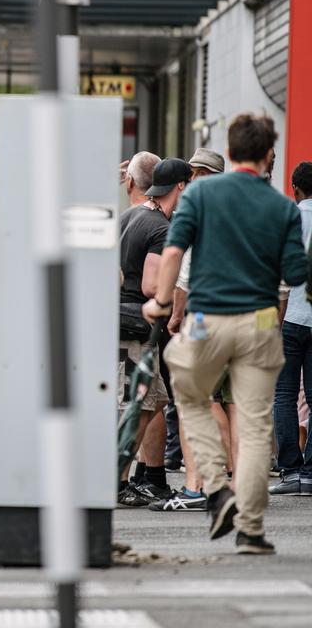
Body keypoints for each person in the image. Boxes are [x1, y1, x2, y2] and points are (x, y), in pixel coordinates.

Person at [144, 112, 306, 555]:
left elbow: (174, 251)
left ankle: (215, 486)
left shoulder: (201, 195)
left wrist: (160, 302)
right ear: (268, 153)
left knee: (186, 388)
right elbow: (294, 274)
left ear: (231, 153)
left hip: (207, 319)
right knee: (254, 426)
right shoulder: (282, 208)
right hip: (259, 324)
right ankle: (251, 529)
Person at [149, 148, 225, 512]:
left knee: (197, 401)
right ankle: (232, 482)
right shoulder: (235, 211)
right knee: (232, 405)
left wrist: (172, 315)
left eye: (195, 175)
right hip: (241, 319)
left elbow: (182, 275)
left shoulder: (198, 214)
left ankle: (200, 487)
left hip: (202, 318)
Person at [117, 157, 190, 507]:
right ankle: (116, 479)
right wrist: (175, 296)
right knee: (140, 404)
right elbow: (150, 285)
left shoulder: (129, 216)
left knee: (154, 400)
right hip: (139, 326)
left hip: (121, 320)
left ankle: (129, 477)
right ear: (180, 186)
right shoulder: (161, 227)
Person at [269, 161, 312, 496]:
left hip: (288, 317)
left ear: (295, 189)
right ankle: (311, 472)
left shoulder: (289, 218)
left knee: (283, 394)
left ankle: (290, 471)